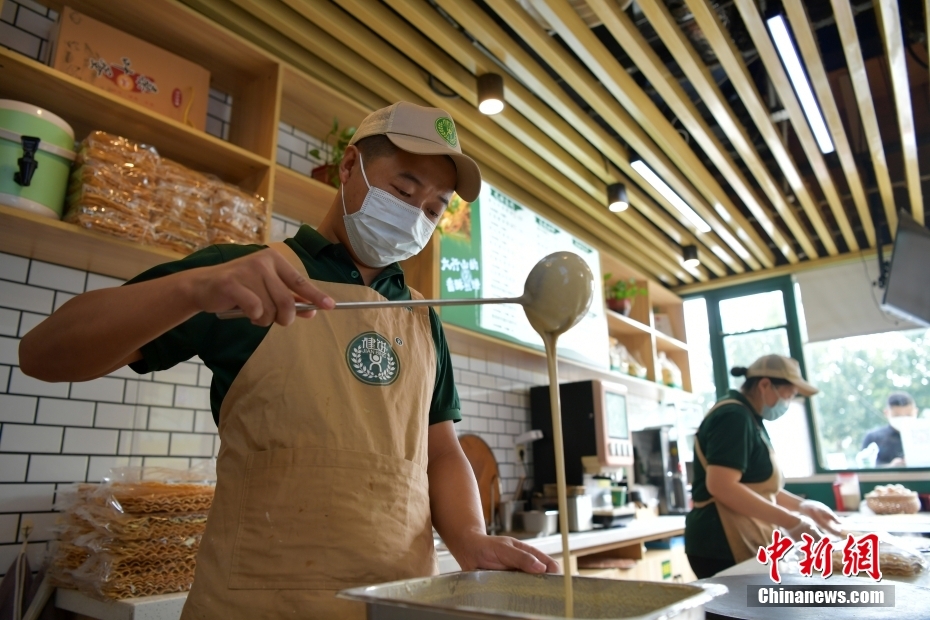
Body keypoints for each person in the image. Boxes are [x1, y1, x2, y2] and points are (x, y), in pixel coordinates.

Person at [19, 102, 558, 619]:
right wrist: (194, 288)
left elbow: (440, 452)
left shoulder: (422, 318)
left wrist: (469, 537)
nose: (416, 214)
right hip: (255, 604)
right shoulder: (247, 275)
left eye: (434, 209)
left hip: (395, 604)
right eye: (403, 188)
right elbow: (43, 354)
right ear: (348, 166)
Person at [684, 355, 842, 579]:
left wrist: (803, 506)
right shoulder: (733, 416)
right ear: (765, 384)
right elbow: (722, 486)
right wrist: (792, 523)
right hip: (720, 542)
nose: (787, 401)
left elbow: (758, 488)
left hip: (740, 535)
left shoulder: (750, 418)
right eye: (788, 394)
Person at [861, 392, 918, 467]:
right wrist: (889, 467)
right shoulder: (873, 438)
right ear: (886, 413)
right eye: (897, 416)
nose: (904, 419)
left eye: (908, 415)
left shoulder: (926, 436)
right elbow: (864, 468)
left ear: (916, 412)